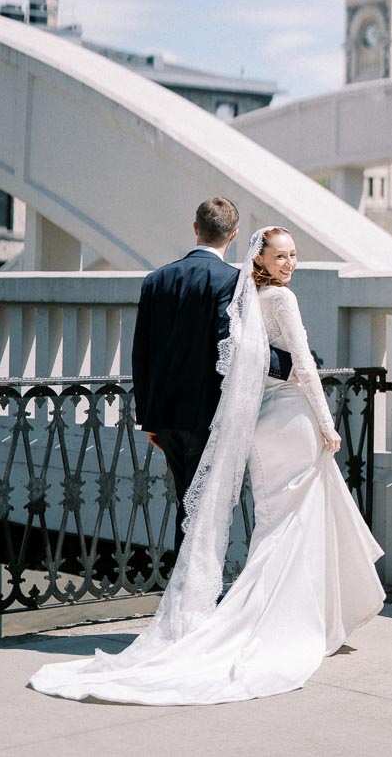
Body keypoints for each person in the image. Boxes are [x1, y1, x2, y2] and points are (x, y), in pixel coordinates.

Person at [28, 224, 385, 705]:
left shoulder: (238, 294)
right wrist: (327, 424)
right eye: (282, 256)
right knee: (292, 524)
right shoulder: (280, 300)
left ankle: (215, 616)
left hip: (244, 421)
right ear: (254, 252)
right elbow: (302, 365)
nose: (290, 264)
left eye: (294, 256)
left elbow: (161, 354)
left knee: (267, 524)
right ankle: (286, 620)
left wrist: (149, 414)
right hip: (290, 420)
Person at [130, 195, 242, 563]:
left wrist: (148, 417)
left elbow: (141, 352)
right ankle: (194, 596)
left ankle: (185, 594)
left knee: (187, 504)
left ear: (196, 229)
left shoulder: (155, 280)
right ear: (234, 235)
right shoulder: (231, 280)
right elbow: (230, 347)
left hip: (165, 417)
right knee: (203, 510)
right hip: (206, 416)